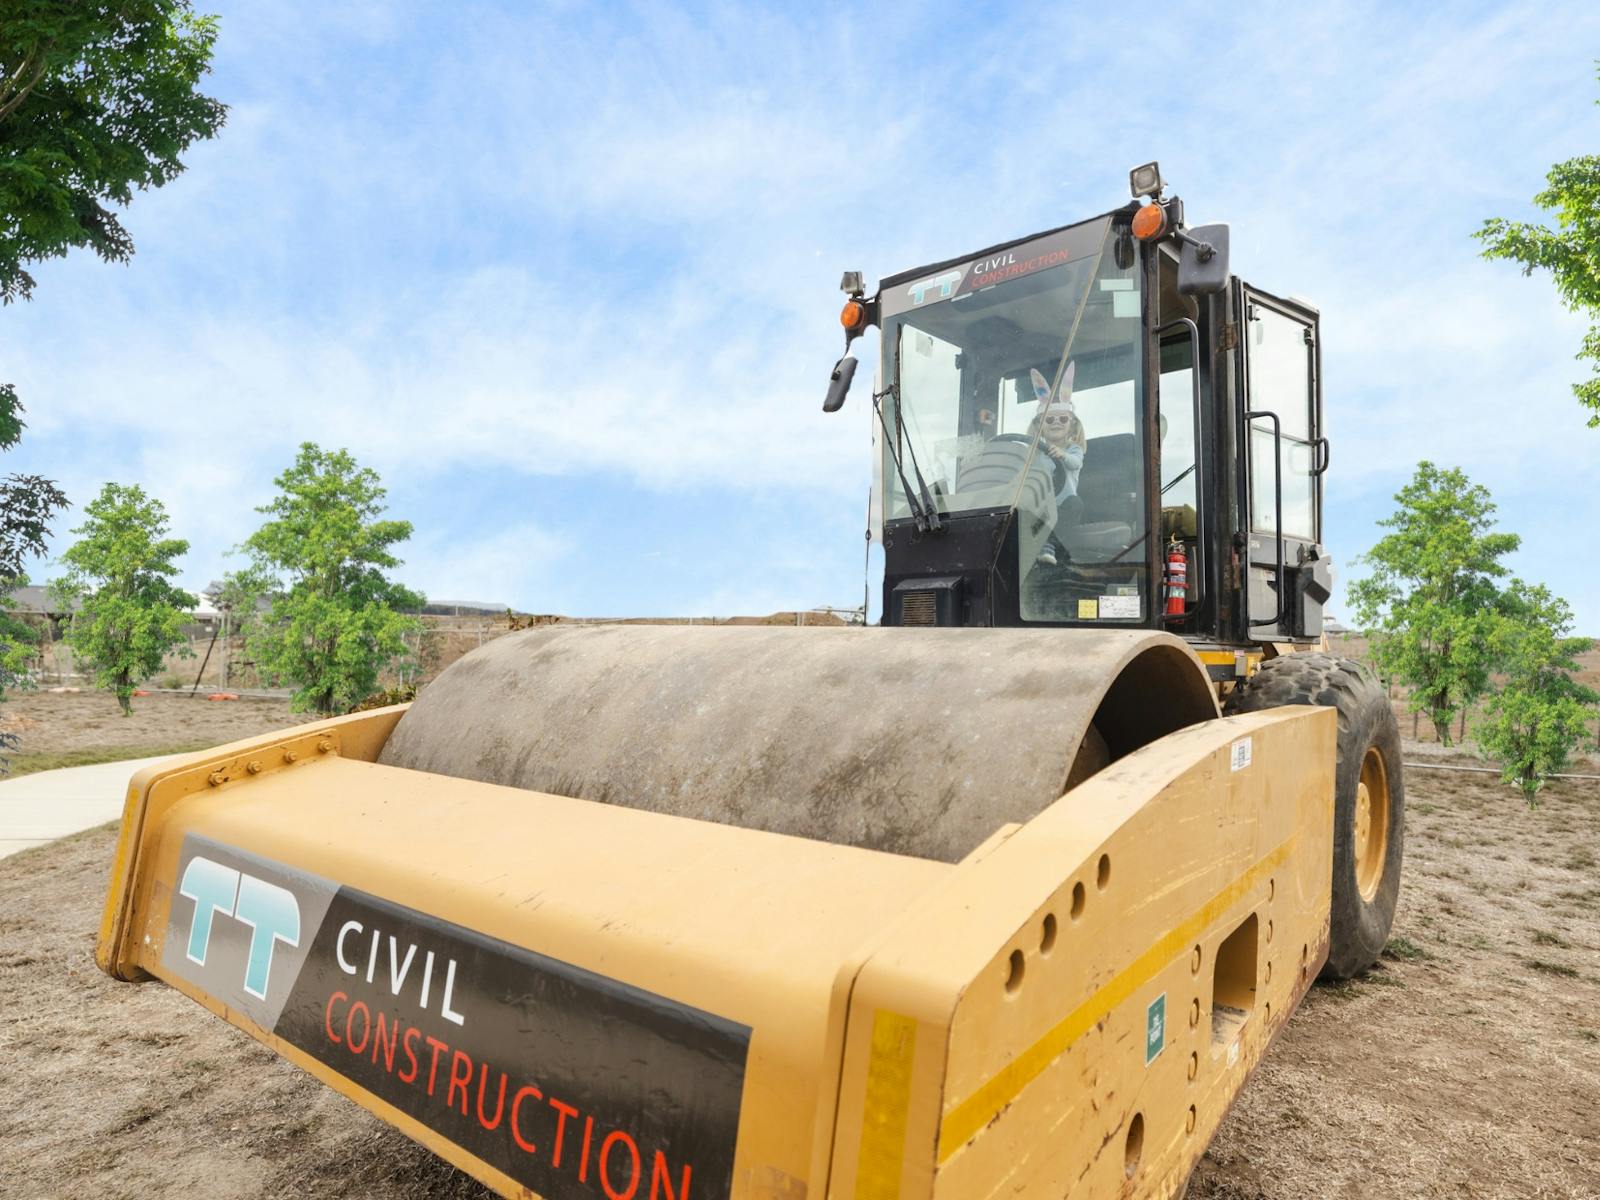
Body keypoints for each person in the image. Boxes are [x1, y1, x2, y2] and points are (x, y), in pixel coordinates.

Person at [1028, 364, 1086, 567]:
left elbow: (1075, 463)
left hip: (1062, 506)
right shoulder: (1033, 453)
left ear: (1072, 424)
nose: (1056, 422)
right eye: (1049, 419)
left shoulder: (1073, 449)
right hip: (1039, 504)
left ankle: (1048, 547)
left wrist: (1061, 455)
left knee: (1075, 504)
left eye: (1062, 418)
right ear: (1038, 426)